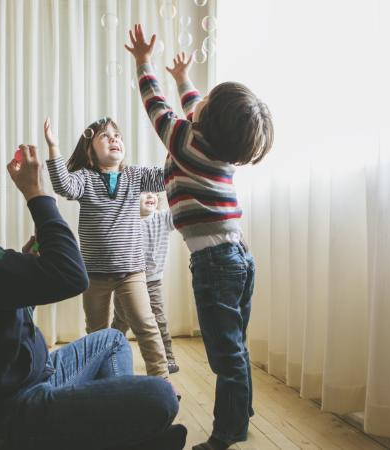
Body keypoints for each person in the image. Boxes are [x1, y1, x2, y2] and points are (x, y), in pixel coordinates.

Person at [0, 135, 186, 450]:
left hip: (30, 378)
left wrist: (26, 266)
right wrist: (36, 192)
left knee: (112, 341)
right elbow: (72, 275)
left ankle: (115, 436)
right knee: (161, 397)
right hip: (7, 415)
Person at [125, 24, 274, 450]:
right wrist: (184, 79)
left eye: (204, 103)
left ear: (206, 121)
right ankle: (239, 408)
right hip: (238, 257)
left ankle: (226, 433)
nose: (197, 103)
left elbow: (157, 108)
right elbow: (194, 106)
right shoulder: (215, 146)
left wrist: (144, 63)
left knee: (224, 356)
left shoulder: (186, 144)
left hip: (216, 264)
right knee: (235, 348)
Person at [43, 117, 171, 379]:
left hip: (132, 272)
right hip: (94, 275)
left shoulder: (134, 176)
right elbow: (63, 186)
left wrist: (176, 145)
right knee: (97, 333)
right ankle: (101, 382)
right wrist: (53, 148)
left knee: (146, 327)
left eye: (117, 135)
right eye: (105, 136)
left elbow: (165, 178)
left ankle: (163, 381)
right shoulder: (85, 178)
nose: (114, 139)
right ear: (90, 153)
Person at [111, 192, 179, 373]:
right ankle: (109, 355)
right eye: (143, 192)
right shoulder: (127, 220)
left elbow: (179, 210)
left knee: (159, 319)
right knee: (121, 320)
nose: (150, 195)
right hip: (127, 281)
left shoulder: (163, 218)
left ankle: (168, 358)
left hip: (153, 281)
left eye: (153, 193)